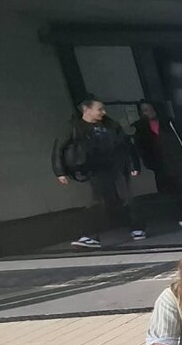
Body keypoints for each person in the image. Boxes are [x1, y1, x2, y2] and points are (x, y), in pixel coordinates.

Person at [52, 96, 146, 248]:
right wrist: (60, 171)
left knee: (126, 197)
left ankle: (137, 227)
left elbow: (125, 145)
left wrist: (133, 164)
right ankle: (90, 236)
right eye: (99, 109)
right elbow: (59, 148)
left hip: (115, 166)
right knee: (95, 202)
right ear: (86, 110)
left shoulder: (111, 125)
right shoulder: (73, 126)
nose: (103, 112)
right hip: (91, 170)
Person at [132, 100, 182, 234]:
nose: (149, 112)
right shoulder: (140, 129)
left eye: (150, 109)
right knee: (173, 190)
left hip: (180, 160)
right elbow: (142, 149)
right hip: (162, 164)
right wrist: (151, 164)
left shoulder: (169, 123)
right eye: (145, 110)